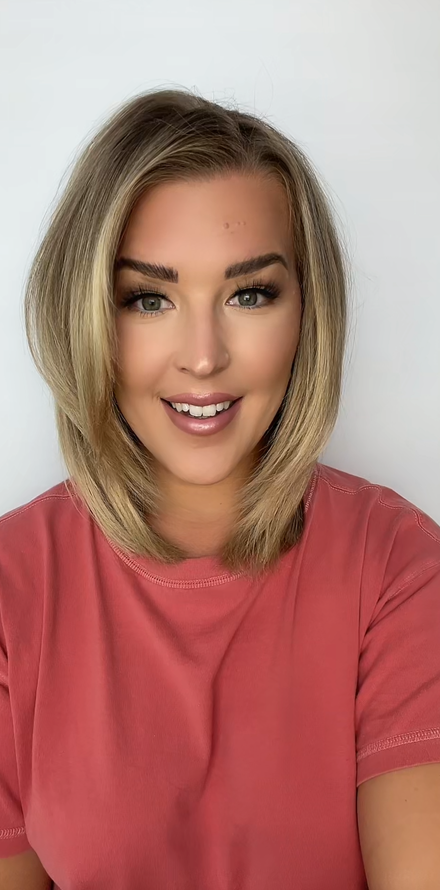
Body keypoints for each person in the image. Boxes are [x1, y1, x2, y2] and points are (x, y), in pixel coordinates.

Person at [0, 89, 439, 890]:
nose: (203, 357)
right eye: (149, 298)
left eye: (249, 294)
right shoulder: (12, 585)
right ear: (88, 314)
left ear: (309, 311)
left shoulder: (398, 564)